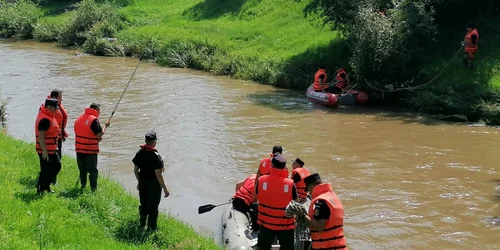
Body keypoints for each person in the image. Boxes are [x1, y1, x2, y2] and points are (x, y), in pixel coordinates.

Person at [255, 154, 298, 250]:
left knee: (263, 248)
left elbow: (257, 197)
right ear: (284, 167)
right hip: (285, 225)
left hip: (265, 223)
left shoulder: (261, 180)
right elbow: (296, 203)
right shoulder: (290, 184)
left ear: (272, 166)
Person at [133, 131, 170, 231]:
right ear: (154, 142)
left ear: (146, 141)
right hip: (154, 186)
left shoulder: (139, 153)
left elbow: (135, 170)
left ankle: (141, 225)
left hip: (143, 184)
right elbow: (159, 175)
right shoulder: (155, 157)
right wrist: (165, 189)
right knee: (153, 208)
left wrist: (139, 181)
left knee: (143, 205)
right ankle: (152, 228)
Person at [300, 173, 347, 250]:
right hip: (338, 245)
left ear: (312, 187)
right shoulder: (332, 198)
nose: (309, 193)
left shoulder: (321, 202)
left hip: (326, 246)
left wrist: (303, 215)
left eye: (308, 190)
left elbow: (320, 227)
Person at [74, 103, 109, 192]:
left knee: (82, 170)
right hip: (90, 151)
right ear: (96, 110)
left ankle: (83, 187)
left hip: (79, 149)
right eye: (99, 111)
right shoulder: (94, 120)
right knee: (93, 171)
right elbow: (99, 134)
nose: (99, 113)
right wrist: (106, 126)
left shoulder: (79, 118)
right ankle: (93, 190)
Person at [39, 89, 68, 185]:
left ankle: (48, 182)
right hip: (49, 141)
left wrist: (62, 132)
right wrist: (44, 150)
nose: (61, 100)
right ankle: (46, 183)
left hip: (56, 138)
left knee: (57, 161)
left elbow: (59, 123)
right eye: (60, 98)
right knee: (52, 163)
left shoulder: (54, 108)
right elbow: (42, 132)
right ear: (55, 98)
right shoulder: (47, 112)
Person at [35, 98, 61, 194]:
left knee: (56, 166)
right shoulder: (45, 119)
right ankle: (41, 188)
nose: (57, 109)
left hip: (51, 149)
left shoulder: (48, 115)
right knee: (46, 170)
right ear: (49, 107)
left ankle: (46, 186)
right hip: (45, 150)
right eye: (55, 107)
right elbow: (41, 136)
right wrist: (44, 151)